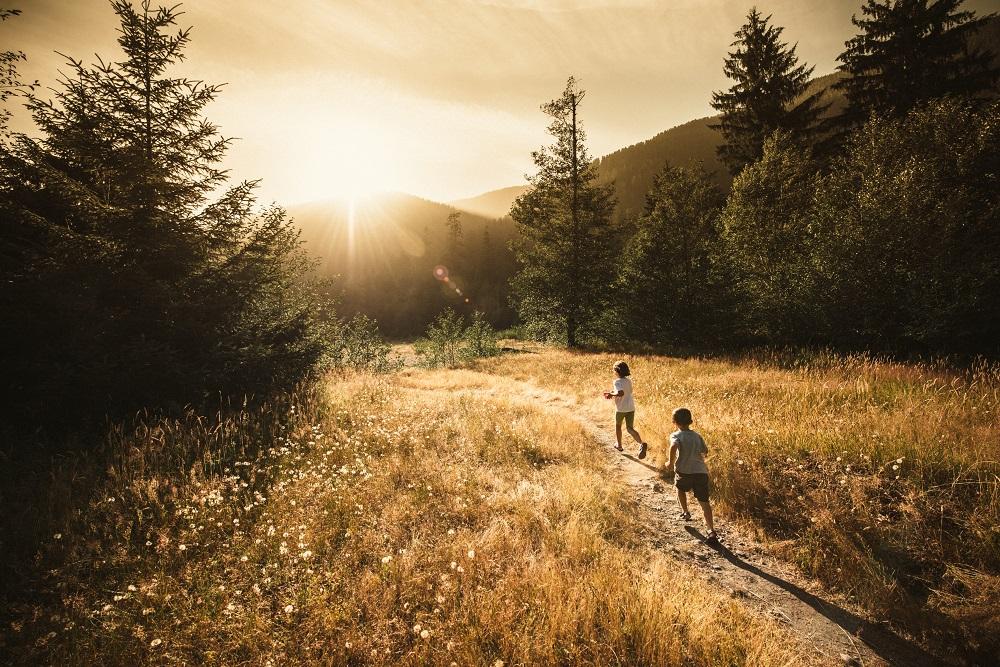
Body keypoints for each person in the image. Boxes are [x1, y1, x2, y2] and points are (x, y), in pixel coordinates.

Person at [665, 407, 717, 543]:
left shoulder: (676, 435)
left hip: (684, 471)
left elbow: (673, 446)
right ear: (690, 421)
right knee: (705, 502)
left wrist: (670, 462)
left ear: (674, 422)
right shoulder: (697, 436)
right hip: (701, 472)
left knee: (680, 488)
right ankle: (711, 530)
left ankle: (686, 512)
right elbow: (705, 451)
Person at [602, 360, 649, 459]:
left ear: (617, 371)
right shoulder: (628, 381)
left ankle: (619, 445)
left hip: (621, 408)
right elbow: (627, 392)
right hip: (631, 407)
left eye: (614, 370)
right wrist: (613, 392)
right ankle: (641, 443)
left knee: (618, 426)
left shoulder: (617, 381)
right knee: (630, 428)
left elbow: (621, 393)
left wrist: (611, 394)